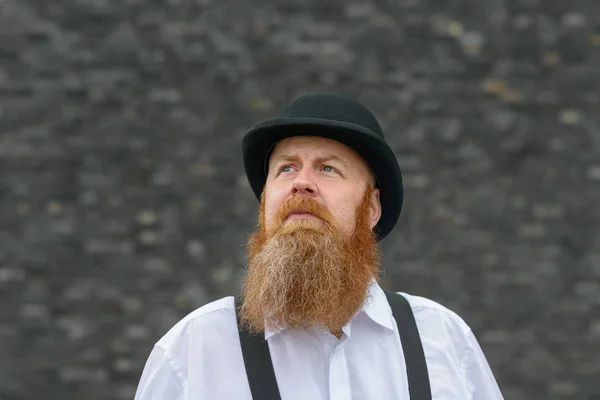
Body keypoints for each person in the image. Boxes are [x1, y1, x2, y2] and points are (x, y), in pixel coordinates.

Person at [133, 93, 504, 399]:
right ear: (265, 205)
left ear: (371, 208)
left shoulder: (442, 340)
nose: (302, 183)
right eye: (286, 169)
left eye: (328, 169)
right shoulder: (193, 350)